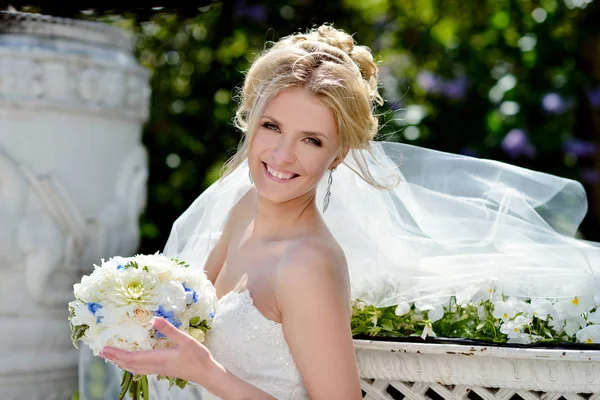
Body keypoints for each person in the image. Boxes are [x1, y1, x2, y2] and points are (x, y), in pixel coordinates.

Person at [90, 23, 600, 400]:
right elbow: (189, 314)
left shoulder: (308, 264)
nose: (282, 156)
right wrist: (131, 309)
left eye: (310, 140)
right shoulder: (247, 206)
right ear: (250, 121)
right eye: (271, 127)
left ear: (337, 155)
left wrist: (208, 375)